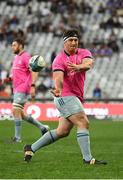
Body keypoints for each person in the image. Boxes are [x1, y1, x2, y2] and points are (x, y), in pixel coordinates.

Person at [24, 29, 107, 165]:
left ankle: (30, 148)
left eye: (75, 40)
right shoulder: (59, 60)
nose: (74, 42)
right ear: (64, 43)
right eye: (70, 40)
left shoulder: (84, 52)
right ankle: (88, 159)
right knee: (83, 122)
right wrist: (58, 89)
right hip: (65, 96)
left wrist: (78, 67)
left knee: (62, 131)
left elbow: (88, 64)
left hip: (74, 97)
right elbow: (59, 78)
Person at [2, 38, 49, 142]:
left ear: (21, 46)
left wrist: (33, 85)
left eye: (14, 45)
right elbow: (17, 73)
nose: (12, 47)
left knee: (15, 110)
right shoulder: (16, 58)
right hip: (16, 88)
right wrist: (9, 79)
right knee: (21, 114)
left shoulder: (26, 57)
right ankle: (43, 128)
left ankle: (17, 138)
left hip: (23, 87)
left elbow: (35, 70)